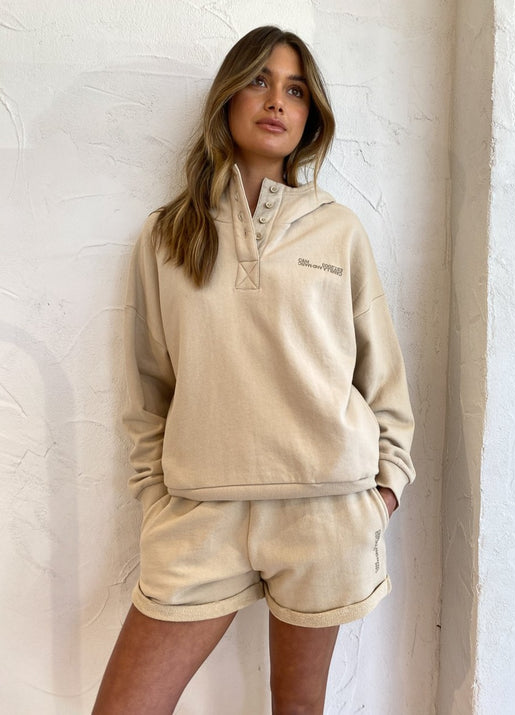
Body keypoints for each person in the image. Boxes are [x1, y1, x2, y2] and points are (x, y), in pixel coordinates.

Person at [93, 25, 415, 715]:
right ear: (227, 98)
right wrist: (155, 496)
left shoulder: (339, 230)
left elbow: (382, 376)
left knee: (296, 708)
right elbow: (148, 384)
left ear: (309, 117)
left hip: (326, 512)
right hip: (199, 514)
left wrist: (384, 488)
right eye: (259, 81)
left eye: (295, 90)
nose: (276, 101)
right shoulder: (167, 234)